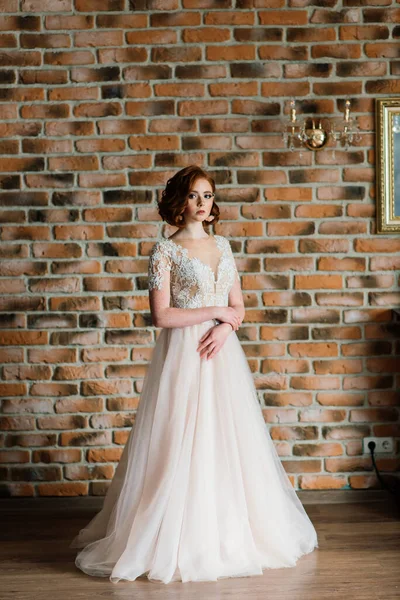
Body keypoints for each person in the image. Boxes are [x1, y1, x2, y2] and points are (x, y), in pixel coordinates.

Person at [69, 165, 319, 584]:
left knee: (226, 439)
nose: (202, 204)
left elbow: (238, 307)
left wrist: (225, 326)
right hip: (184, 354)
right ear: (177, 202)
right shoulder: (164, 252)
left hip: (220, 352)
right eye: (193, 196)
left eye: (207, 195)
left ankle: (229, 531)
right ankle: (175, 535)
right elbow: (161, 315)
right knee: (179, 437)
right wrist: (214, 312)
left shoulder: (223, 245)